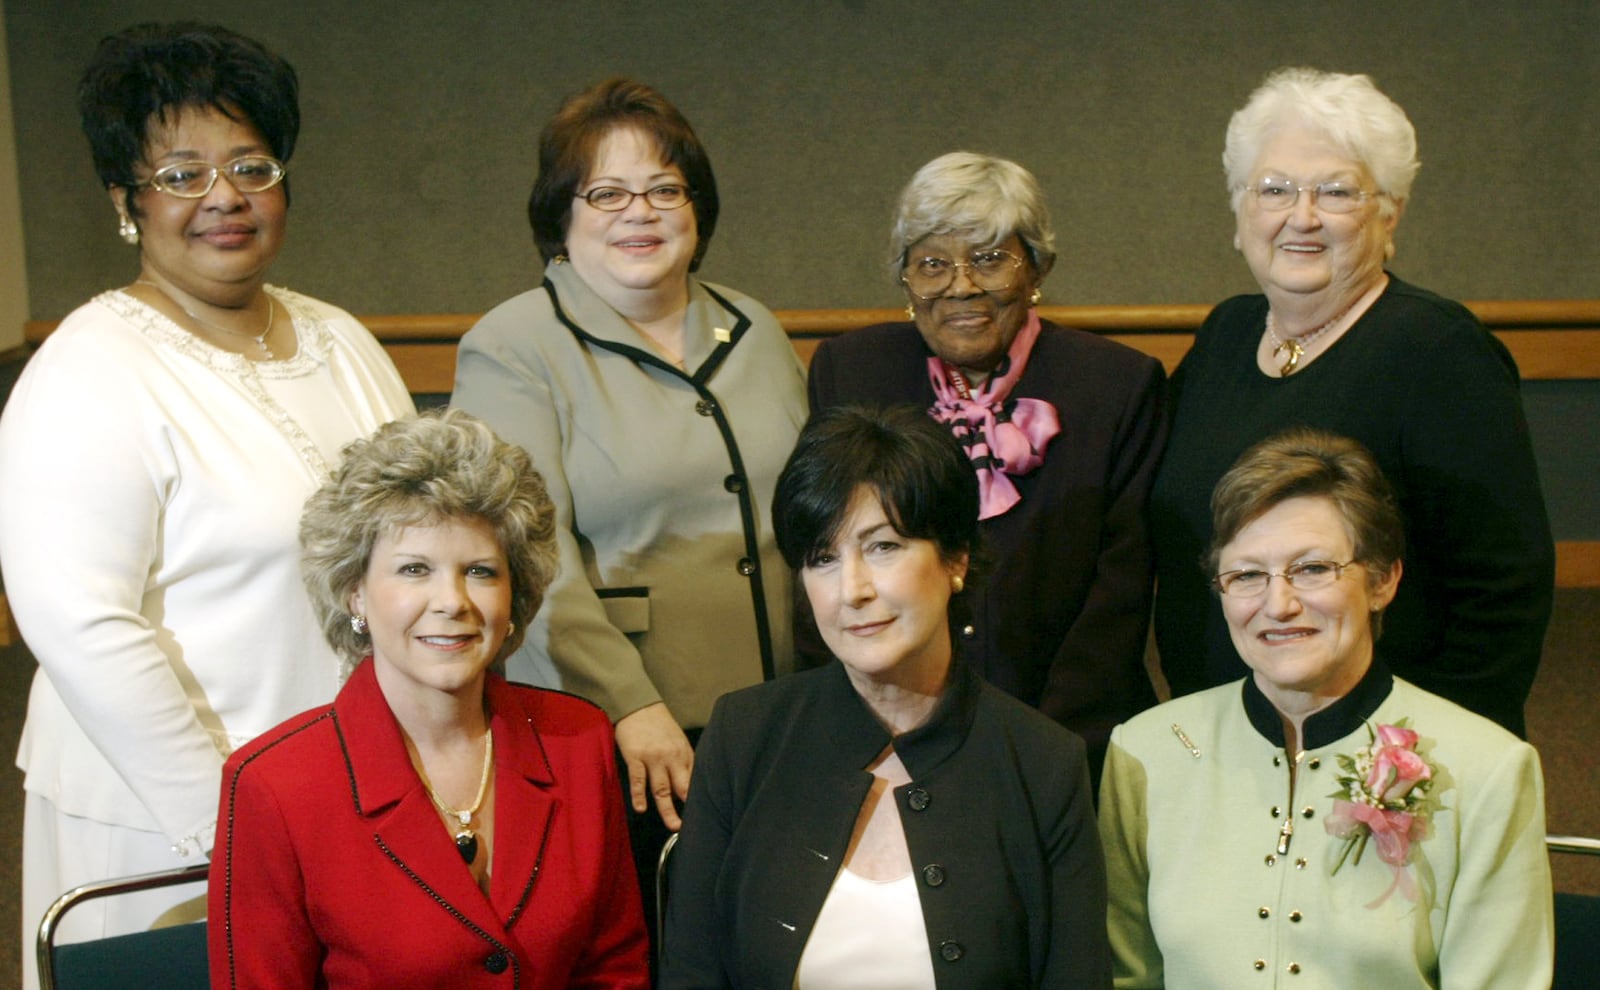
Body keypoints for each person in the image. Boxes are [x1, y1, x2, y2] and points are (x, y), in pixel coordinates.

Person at [0, 22, 412, 986]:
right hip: (170, 826)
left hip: (359, 799)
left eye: (251, 166)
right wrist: (234, 829)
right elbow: (83, 627)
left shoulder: (340, 338)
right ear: (124, 202)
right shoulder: (88, 368)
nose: (223, 197)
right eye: (180, 174)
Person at [450, 77, 806, 943]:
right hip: (624, 732)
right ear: (560, 218)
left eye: (663, 188)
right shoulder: (513, 344)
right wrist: (627, 705)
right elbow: (523, 551)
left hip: (780, 715)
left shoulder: (753, 327)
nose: (637, 212)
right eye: (605, 192)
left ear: (697, 206)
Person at [1150, 67, 1553, 737]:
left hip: (1383, 757)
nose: (1300, 217)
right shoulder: (1225, 336)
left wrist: (1415, 764)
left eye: (1336, 192)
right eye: (1274, 189)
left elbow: (1502, 595)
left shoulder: (1439, 351)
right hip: (1223, 730)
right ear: (1239, 210)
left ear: (1389, 213)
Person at [662, 406, 1111, 989]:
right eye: (823, 558)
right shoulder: (744, 735)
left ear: (955, 558)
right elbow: (690, 973)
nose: (853, 590)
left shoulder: (1044, 762)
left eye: (883, 547)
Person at [209, 409, 648, 989]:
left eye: (481, 571)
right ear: (355, 593)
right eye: (415, 569)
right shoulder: (274, 784)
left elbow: (615, 971)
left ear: (514, 595)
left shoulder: (578, 739)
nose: (452, 601)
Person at [1101, 427, 1552, 987]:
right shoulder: (1146, 750)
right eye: (1246, 576)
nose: (1279, 604)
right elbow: (1125, 978)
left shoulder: (1487, 769)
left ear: (1384, 579)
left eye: (1312, 568)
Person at [808, 152, 1167, 781]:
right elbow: (824, 557)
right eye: (933, 264)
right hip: (886, 735)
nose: (961, 286)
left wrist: (1044, 747)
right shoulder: (851, 372)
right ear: (905, 280)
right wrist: (871, 726)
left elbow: (1120, 592)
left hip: (1072, 738)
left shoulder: (1117, 385)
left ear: (1036, 269)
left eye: (989, 257)